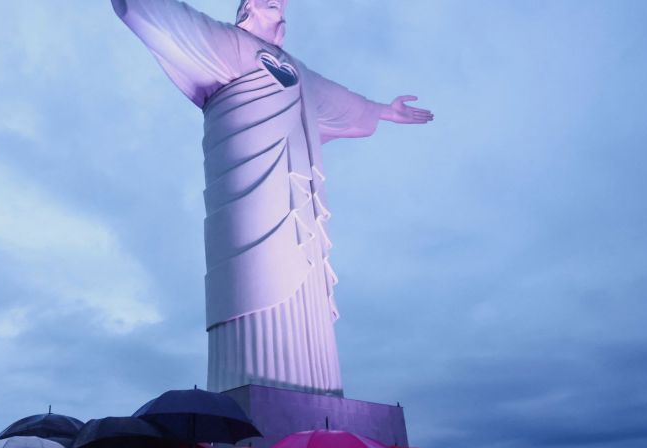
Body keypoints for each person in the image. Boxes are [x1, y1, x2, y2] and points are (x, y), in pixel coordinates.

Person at [114, 0, 434, 397]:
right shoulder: (228, 43)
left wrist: (384, 111)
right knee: (254, 290)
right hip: (245, 201)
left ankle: (318, 399)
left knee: (306, 295)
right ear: (247, 6)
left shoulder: (297, 70)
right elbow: (154, 12)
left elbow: (339, 100)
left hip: (300, 206)